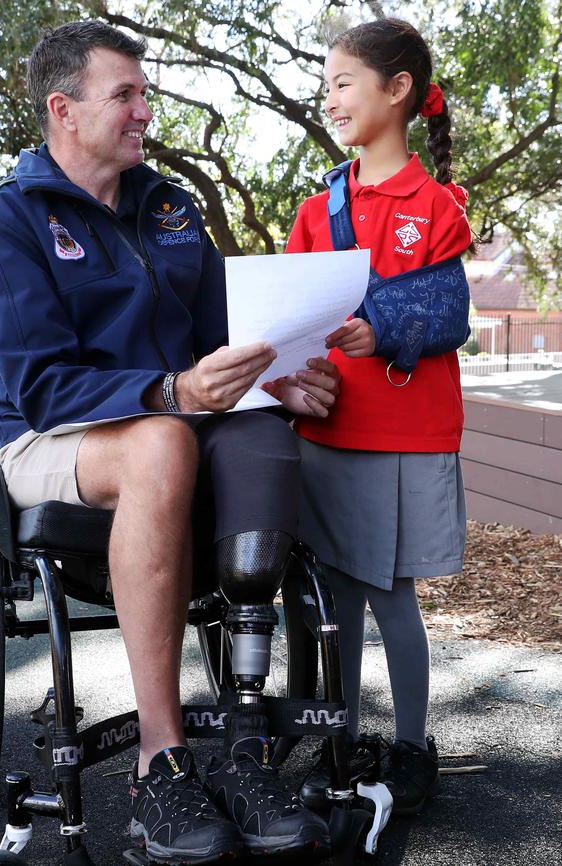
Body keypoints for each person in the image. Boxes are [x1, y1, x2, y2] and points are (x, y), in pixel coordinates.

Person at [0, 20, 338, 864]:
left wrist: (275, 376)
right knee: (164, 444)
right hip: (53, 438)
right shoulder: (8, 220)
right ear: (64, 109)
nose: (144, 110)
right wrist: (172, 395)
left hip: (174, 420)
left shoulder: (169, 206)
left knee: (263, 440)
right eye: (125, 95)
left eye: (145, 92)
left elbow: (217, 341)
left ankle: (246, 751)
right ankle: (158, 766)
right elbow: (42, 386)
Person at [286, 17, 472, 816]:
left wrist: (384, 326)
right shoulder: (314, 208)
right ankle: (342, 738)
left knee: (393, 596)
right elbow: (289, 321)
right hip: (328, 433)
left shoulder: (435, 205)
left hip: (403, 434)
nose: (328, 99)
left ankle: (410, 745)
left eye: (340, 83)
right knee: (334, 601)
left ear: (397, 91)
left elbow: (449, 311)